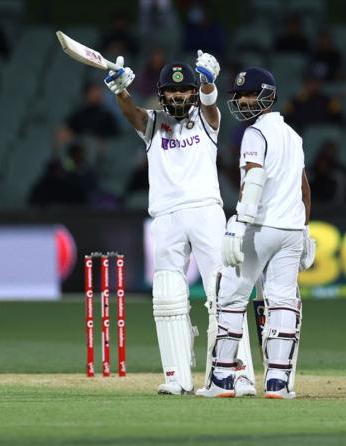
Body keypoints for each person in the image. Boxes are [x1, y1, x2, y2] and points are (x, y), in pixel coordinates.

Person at [103, 50, 256, 396]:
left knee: (224, 293)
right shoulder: (153, 122)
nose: (176, 96)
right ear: (161, 94)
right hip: (166, 215)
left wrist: (207, 83)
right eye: (171, 92)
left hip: (205, 210)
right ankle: (177, 377)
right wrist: (120, 91)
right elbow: (133, 116)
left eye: (184, 91)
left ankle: (239, 374)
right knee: (168, 296)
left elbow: (212, 107)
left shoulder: (206, 119)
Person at [197, 67, 315, 399]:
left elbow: (254, 180)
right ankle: (279, 383)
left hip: (260, 227)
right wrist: (304, 230)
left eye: (249, 94)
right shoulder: (294, 136)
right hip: (291, 229)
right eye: (240, 96)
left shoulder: (255, 133)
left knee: (231, 297)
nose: (243, 101)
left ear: (267, 95)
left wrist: (239, 223)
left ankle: (222, 378)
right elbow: (304, 190)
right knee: (282, 301)